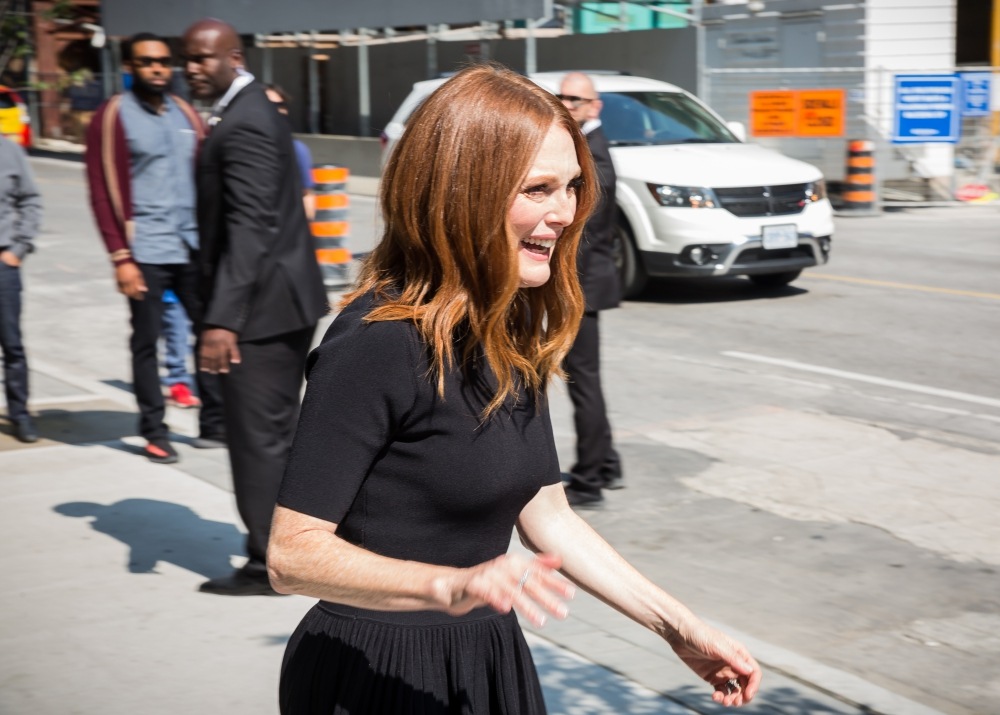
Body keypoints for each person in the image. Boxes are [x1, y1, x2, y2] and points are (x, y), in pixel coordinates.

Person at [267, 65, 760, 713]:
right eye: (539, 188)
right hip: (377, 672)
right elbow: (291, 556)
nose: (565, 212)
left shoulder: (507, 328)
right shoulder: (376, 341)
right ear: (460, 192)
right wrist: (450, 583)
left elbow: (548, 515)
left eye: (573, 187)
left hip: (487, 657)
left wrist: (678, 627)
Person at [182, 19, 328, 596]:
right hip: (281, 300)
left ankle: (271, 564)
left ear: (233, 57)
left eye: (202, 59)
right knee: (277, 435)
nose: (191, 68)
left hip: (261, 310)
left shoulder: (243, 122)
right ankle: (296, 548)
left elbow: (250, 228)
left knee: (257, 440)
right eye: (186, 59)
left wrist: (222, 318)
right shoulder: (247, 110)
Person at [85, 31, 224, 464]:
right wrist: (120, 257)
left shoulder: (185, 113)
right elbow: (101, 192)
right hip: (144, 249)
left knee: (210, 333)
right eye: (147, 62)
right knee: (147, 342)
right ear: (129, 67)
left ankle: (215, 424)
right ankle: (154, 430)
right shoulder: (112, 116)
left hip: (192, 245)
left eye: (164, 61)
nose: (158, 68)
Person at [557, 71, 624, 508]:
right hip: (581, 285)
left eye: (575, 100)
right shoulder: (584, 152)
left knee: (583, 382)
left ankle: (589, 479)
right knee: (585, 380)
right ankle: (608, 462)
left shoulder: (594, 161)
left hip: (580, 287)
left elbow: (582, 236)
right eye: (560, 97)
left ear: (594, 107)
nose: (566, 105)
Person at [0, 134, 41, 443]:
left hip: (3, 263)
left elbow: (30, 199)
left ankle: (20, 414)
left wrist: (19, 248)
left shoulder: (9, 150)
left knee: (12, 344)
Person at [264, 84, 316, 220]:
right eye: (269, 105)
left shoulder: (297, 149)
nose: (277, 111)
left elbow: (307, 195)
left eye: (281, 106)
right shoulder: (243, 147)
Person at [160, 289, 200, 408]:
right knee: (176, 337)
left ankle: (178, 382)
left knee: (179, 337)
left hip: (184, 293)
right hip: (160, 293)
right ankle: (177, 382)